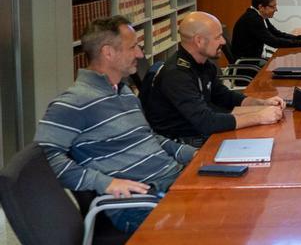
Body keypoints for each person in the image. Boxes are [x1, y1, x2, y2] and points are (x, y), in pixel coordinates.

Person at [34, 16, 196, 233]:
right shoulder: (73, 102)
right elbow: (44, 157)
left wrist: (193, 154)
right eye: (133, 47)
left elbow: (148, 137)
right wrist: (105, 183)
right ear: (108, 52)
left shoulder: (123, 91)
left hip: (173, 181)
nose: (140, 54)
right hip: (139, 203)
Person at [142, 11, 284, 148]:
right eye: (217, 37)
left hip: (201, 132)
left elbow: (223, 96)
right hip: (185, 141)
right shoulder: (177, 75)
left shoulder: (204, 64)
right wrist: (258, 117)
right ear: (199, 40)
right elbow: (206, 122)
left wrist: (260, 103)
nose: (223, 41)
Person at [231, 0, 301, 60]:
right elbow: (274, 42)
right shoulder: (253, 19)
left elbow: (277, 33)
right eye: (273, 6)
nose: (276, 9)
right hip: (248, 65)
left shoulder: (259, 16)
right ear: (261, 7)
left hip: (255, 59)